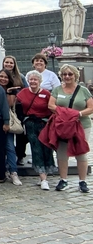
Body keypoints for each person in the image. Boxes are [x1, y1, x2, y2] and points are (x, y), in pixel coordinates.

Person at [47, 64, 93, 193]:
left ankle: (82, 181)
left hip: (81, 124)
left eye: (70, 74)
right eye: (64, 74)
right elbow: (51, 105)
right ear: (61, 76)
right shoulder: (57, 90)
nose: (67, 76)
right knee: (61, 152)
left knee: (81, 152)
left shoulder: (83, 90)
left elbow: (91, 107)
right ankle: (63, 179)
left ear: (75, 75)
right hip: (63, 125)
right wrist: (66, 113)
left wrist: (78, 114)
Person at [16, 70, 56, 190]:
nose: (33, 81)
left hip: (44, 124)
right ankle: (43, 178)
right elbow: (16, 105)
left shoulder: (46, 93)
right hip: (31, 124)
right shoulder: (22, 93)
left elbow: (52, 107)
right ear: (28, 81)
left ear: (40, 81)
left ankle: (44, 174)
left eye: (35, 79)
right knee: (36, 148)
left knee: (47, 148)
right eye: (31, 79)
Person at [0, 69, 22, 186]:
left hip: (7, 121)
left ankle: (13, 172)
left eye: (6, 77)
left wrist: (7, 92)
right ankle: (3, 169)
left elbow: (9, 105)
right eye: (1, 76)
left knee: (10, 146)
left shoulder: (11, 91)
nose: (3, 79)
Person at [3, 55, 29, 166]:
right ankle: (8, 155)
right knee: (6, 132)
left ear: (14, 65)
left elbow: (26, 90)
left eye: (11, 63)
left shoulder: (20, 77)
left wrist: (18, 96)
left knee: (20, 132)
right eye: (6, 62)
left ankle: (20, 155)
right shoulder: (1, 76)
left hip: (18, 107)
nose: (8, 64)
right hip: (5, 107)